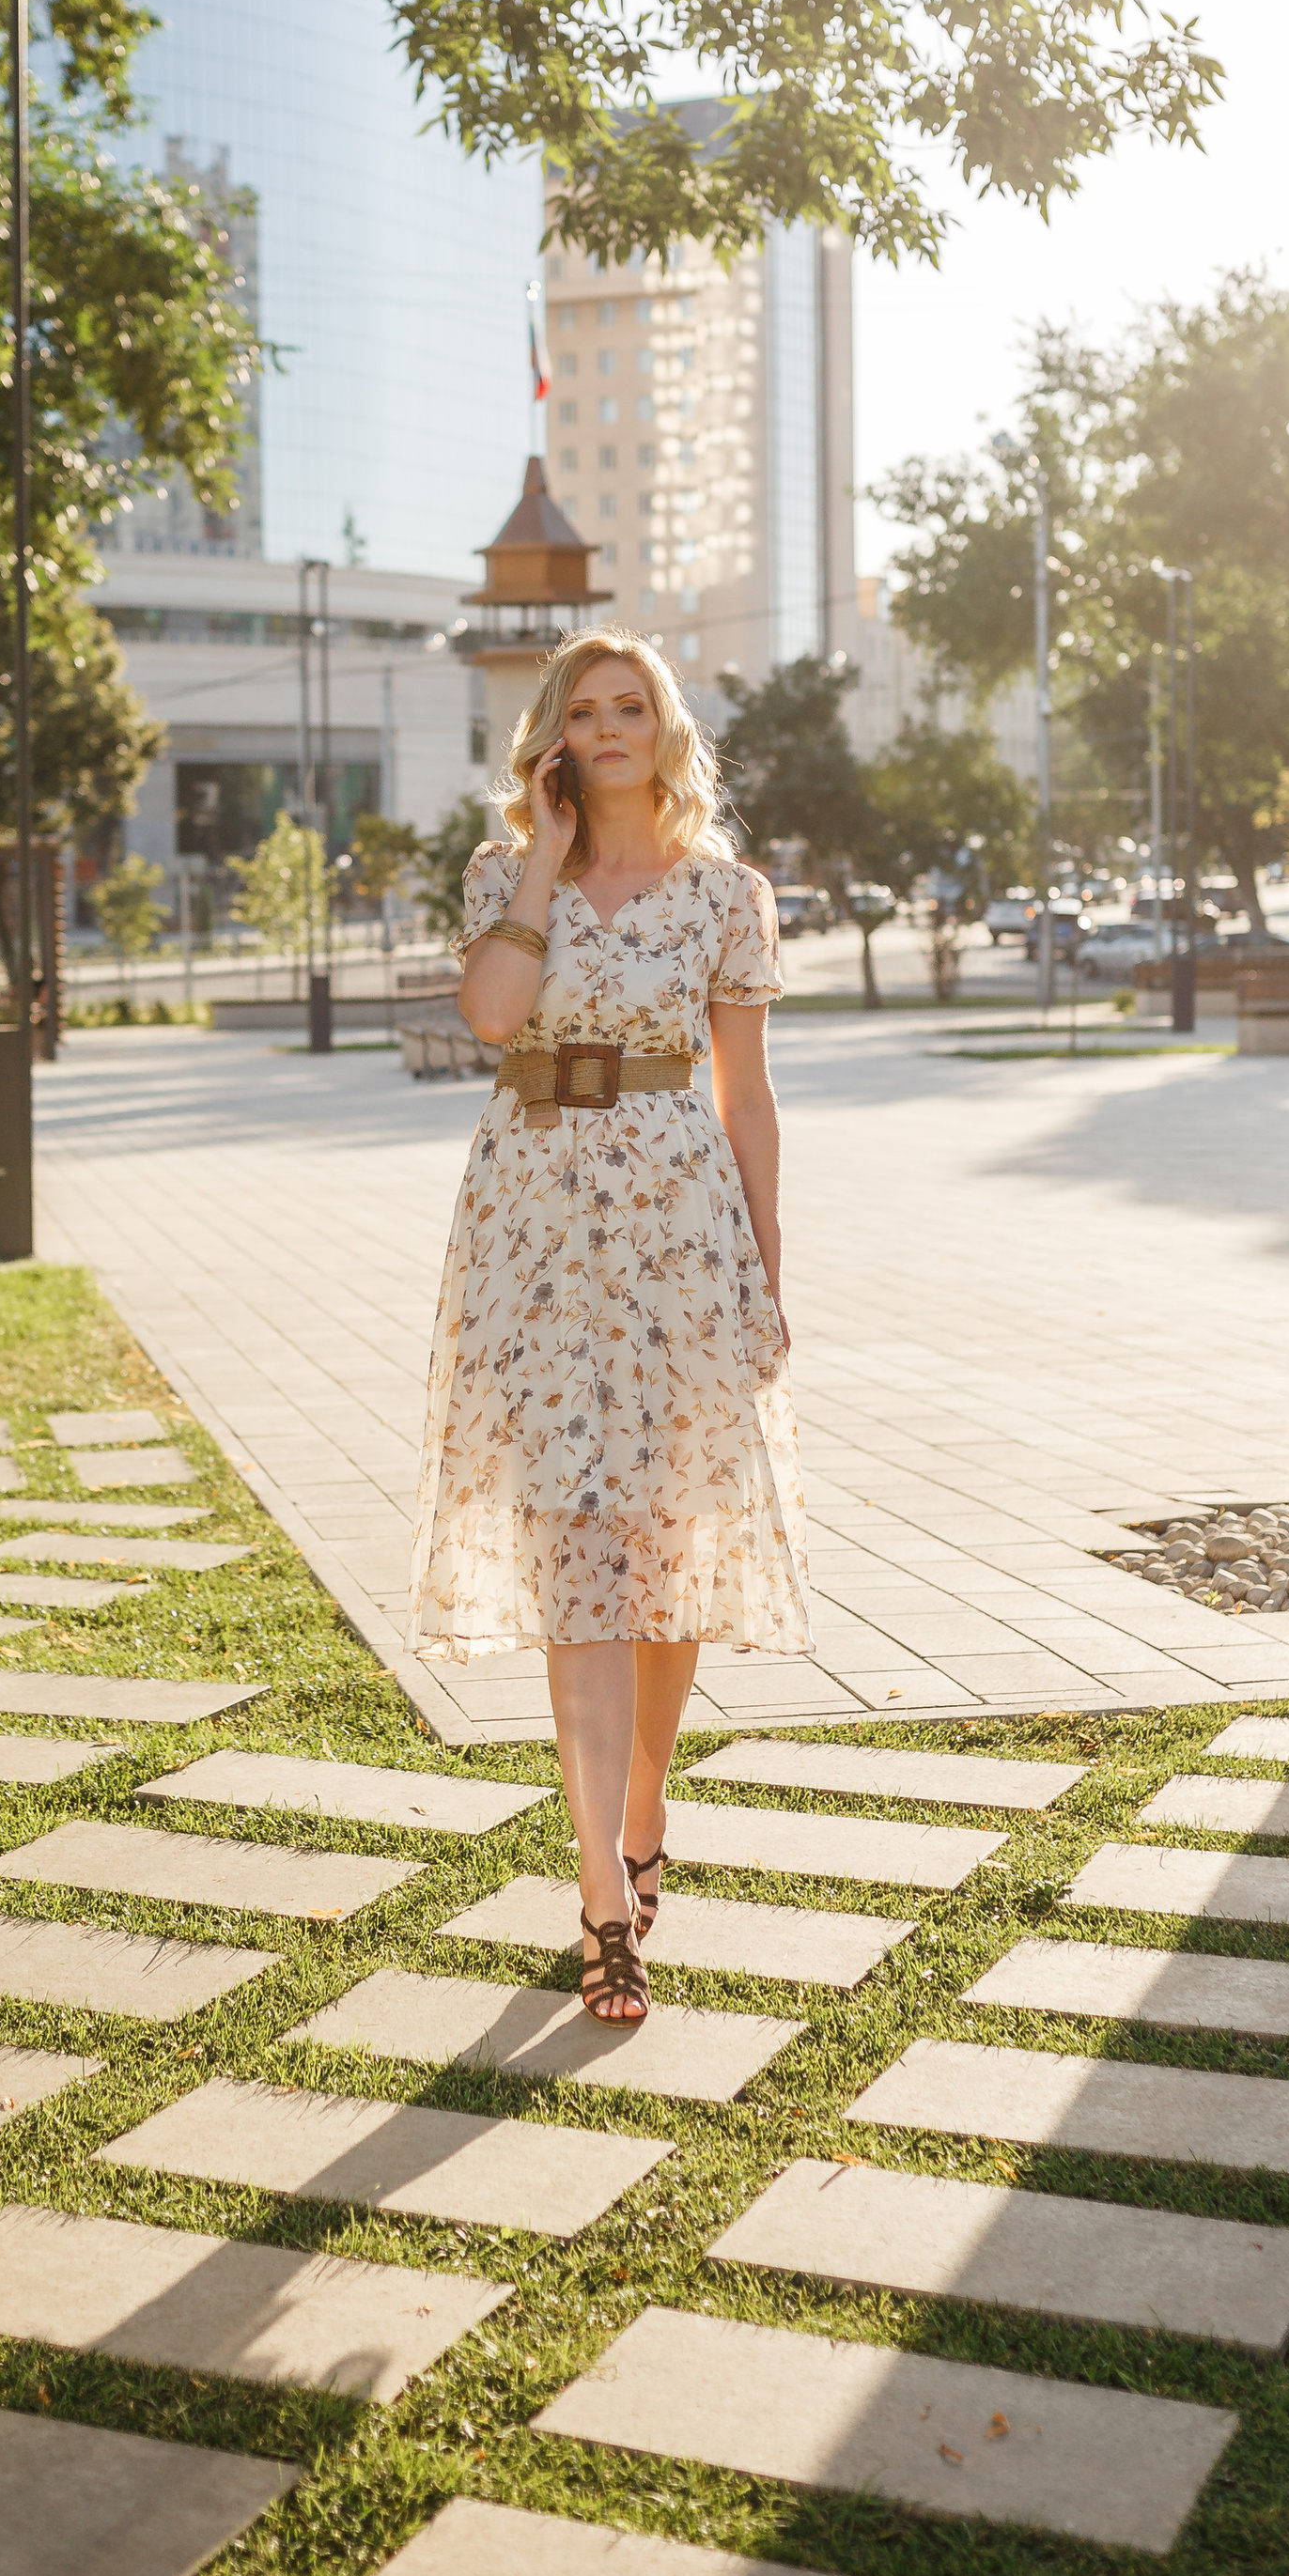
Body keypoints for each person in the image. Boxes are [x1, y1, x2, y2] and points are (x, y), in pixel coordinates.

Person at [411, 628, 809, 2027]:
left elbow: (747, 1098)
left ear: (666, 724)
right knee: (571, 1543)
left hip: (679, 1226)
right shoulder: (501, 876)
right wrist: (542, 848)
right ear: (556, 735)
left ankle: (646, 1810)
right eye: (585, 711)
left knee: (663, 1547)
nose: (612, 725)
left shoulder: (727, 895)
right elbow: (489, 1015)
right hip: (531, 1218)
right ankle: (600, 1903)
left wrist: (767, 1265)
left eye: (631, 705)